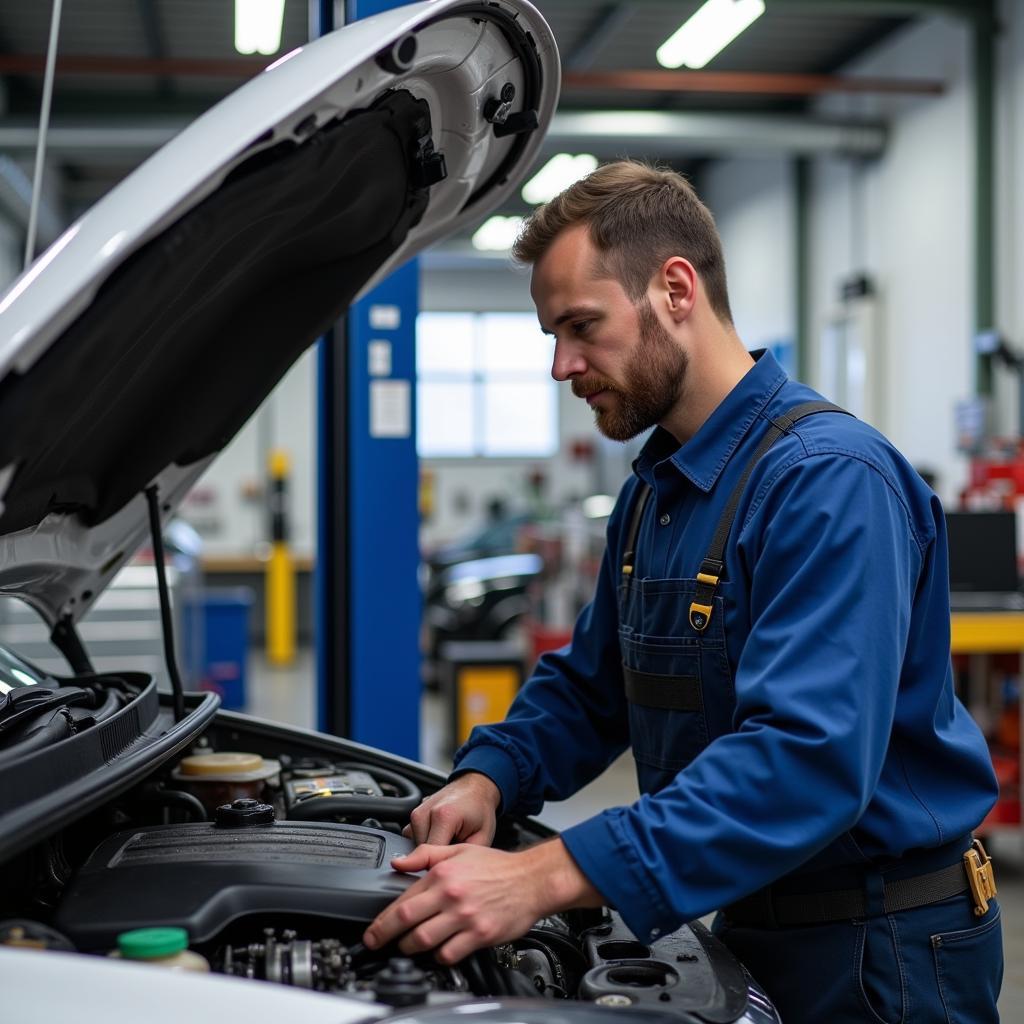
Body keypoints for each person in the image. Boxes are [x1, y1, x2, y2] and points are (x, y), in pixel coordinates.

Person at [363, 161, 1003, 1022]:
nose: (562, 365)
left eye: (581, 326)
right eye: (552, 335)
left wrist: (546, 876)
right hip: (754, 918)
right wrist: (491, 775)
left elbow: (805, 760)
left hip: (881, 949)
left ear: (674, 289)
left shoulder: (827, 482)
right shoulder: (658, 492)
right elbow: (594, 689)